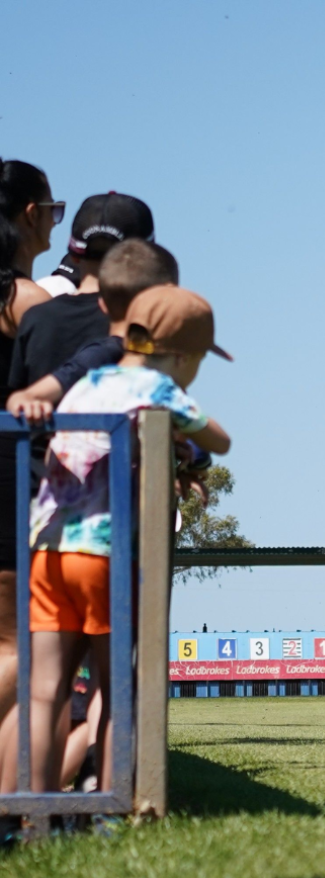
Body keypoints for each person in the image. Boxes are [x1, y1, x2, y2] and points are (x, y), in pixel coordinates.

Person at [20, 284, 231, 794]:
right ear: (181, 357)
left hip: (48, 548)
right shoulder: (158, 389)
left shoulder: (89, 381)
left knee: (45, 692)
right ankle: (111, 806)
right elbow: (220, 440)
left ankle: (28, 811)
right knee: (116, 689)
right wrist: (185, 433)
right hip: (104, 556)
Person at [0, 158, 59, 751]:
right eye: (53, 211)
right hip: (9, 486)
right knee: (19, 649)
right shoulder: (27, 300)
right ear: (31, 215)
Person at [7, 240, 179, 423]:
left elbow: (24, 395)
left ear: (102, 304)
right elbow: (25, 396)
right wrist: (28, 399)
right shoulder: (107, 353)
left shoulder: (102, 354)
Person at [8, 192, 155, 395]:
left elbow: (15, 400)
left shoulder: (36, 318)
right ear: (145, 259)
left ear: (74, 256)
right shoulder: (144, 321)